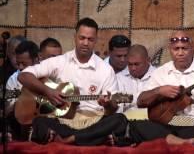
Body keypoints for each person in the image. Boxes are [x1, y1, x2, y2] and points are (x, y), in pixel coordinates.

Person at [18, 17, 127, 146]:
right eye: (82, 38)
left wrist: (107, 104)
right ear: (74, 37)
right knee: (39, 121)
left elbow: (113, 109)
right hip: (63, 121)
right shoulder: (60, 61)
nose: (85, 43)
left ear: (96, 40)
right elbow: (24, 76)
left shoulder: (106, 70)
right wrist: (48, 92)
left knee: (119, 120)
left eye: (90, 39)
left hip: (94, 121)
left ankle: (70, 139)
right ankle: (90, 139)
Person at [135, 30, 194, 144]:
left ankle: (176, 141)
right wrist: (159, 91)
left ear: (192, 48)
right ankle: (182, 142)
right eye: (176, 49)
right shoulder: (160, 72)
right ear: (170, 49)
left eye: (184, 48)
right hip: (169, 125)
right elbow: (140, 101)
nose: (180, 53)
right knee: (138, 125)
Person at [4, 40, 39, 141]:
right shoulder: (13, 79)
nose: (20, 67)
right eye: (18, 63)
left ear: (36, 60)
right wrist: (18, 104)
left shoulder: (47, 73)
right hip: (22, 122)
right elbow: (7, 110)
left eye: (24, 64)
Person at [116, 44, 156, 119]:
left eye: (137, 64)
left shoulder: (158, 76)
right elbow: (117, 106)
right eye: (130, 64)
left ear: (148, 60)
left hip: (152, 122)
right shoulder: (119, 78)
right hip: (125, 123)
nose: (133, 68)